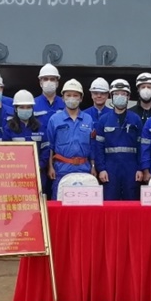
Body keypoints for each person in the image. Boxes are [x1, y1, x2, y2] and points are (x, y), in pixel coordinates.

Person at [94, 79, 144, 200]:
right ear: (111, 96)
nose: (120, 96)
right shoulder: (104, 120)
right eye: (117, 94)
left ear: (128, 96)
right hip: (110, 168)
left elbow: (141, 146)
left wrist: (140, 169)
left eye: (123, 94)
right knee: (110, 202)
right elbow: (98, 147)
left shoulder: (135, 119)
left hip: (131, 168)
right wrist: (101, 169)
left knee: (132, 202)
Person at [47, 79, 95, 200]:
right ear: (62, 98)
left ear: (81, 98)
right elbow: (50, 146)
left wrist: (93, 167)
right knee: (60, 205)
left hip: (84, 169)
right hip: (62, 169)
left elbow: (92, 146)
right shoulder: (55, 119)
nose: (72, 98)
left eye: (75, 95)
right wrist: (50, 167)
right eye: (68, 95)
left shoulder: (88, 119)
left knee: (85, 205)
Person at [34, 63, 65, 197]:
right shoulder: (32, 104)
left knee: (57, 195)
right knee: (38, 194)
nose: (49, 82)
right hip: (38, 156)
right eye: (45, 79)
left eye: (52, 79)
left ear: (58, 82)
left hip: (60, 158)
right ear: (40, 82)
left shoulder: (65, 104)